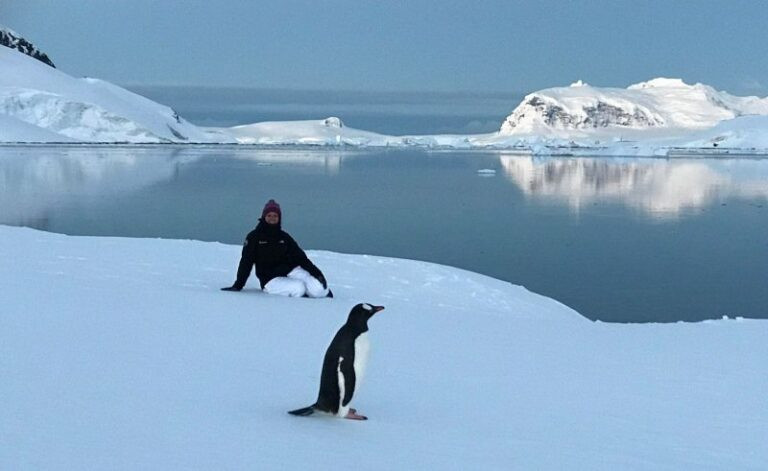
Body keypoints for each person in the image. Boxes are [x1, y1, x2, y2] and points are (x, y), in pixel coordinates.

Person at [222, 199, 332, 298]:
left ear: (279, 218)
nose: (272, 218)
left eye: (275, 216)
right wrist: (238, 285)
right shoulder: (254, 237)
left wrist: (318, 274)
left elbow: (301, 258)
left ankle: (319, 292)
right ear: (264, 216)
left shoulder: (284, 237)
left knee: (319, 289)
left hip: (290, 271)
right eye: (269, 215)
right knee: (299, 289)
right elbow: (246, 262)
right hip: (270, 278)